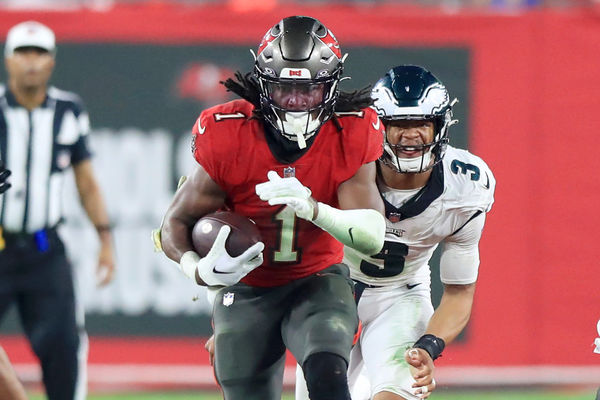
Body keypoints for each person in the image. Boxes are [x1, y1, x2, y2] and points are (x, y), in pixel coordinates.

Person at [158, 15, 386, 400]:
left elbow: (372, 236)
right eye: (284, 89)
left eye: (309, 89)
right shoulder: (227, 133)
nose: (296, 101)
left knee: (329, 378)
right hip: (248, 288)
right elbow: (175, 222)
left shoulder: (352, 129)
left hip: (318, 280)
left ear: (330, 86)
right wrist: (195, 267)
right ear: (264, 86)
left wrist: (314, 209)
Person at [294, 65, 496, 400]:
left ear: (440, 126)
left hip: (400, 296)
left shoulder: (466, 186)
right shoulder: (343, 161)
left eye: (421, 124)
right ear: (377, 127)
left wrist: (429, 346)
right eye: (398, 124)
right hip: (331, 292)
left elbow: (459, 292)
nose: (410, 134)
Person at [0, 21, 115, 400]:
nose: (31, 62)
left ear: (51, 62)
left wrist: (105, 239)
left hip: (44, 247)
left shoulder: (68, 110)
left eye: (39, 54)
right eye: (23, 53)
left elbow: (86, 181)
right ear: (8, 59)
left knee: (64, 346)